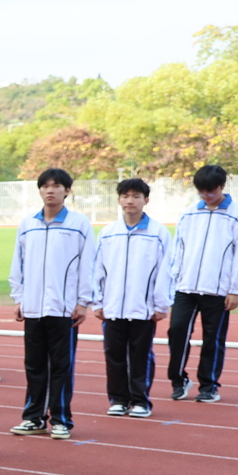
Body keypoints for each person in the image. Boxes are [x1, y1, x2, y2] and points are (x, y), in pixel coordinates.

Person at [9, 168, 94, 438]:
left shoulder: (78, 224)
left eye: (56, 186)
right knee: (34, 365)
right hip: (34, 306)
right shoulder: (28, 224)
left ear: (67, 190)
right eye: (45, 186)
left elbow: (87, 265)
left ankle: (61, 419)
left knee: (61, 366)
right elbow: (18, 264)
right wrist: (19, 297)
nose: (49, 190)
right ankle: (33, 417)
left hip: (63, 308)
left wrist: (82, 302)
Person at [167, 164, 238, 403]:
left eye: (211, 191)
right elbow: (178, 248)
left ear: (222, 186)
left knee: (213, 339)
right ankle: (178, 379)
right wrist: (174, 279)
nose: (206, 195)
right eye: (201, 191)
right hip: (185, 287)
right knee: (176, 331)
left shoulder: (237, 215)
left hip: (218, 289)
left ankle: (209, 385)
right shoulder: (189, 213)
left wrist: (235, 289)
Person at [92, 178, 172, 418]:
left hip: (143, 307)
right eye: (125, 196)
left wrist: (161, 304)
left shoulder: (158, 233)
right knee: (114, 355)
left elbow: (166, 270)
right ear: (118, 200)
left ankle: (140, 400)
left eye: (136, 196)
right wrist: (97, 301)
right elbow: (97, 269)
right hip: (113, 307)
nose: (130, 201)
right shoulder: (108, 233)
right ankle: (118, 399)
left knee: (141, 355)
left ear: (145, 200)